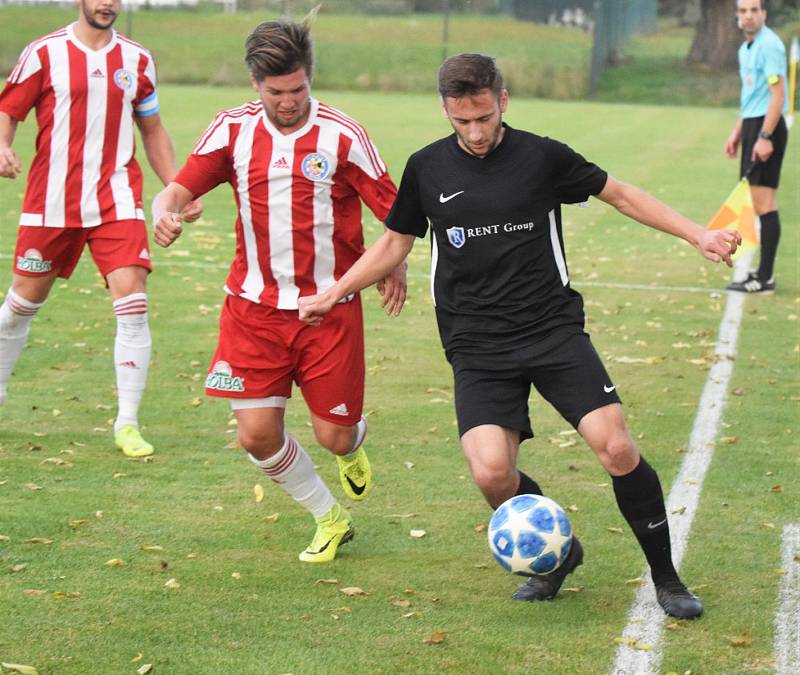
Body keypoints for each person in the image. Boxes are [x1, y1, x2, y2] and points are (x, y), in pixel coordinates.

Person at [299, 53, 742, 617]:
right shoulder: (427, 168)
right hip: (476, 343)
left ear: (502, 101)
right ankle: (559, 555)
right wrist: (335, 292)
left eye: (484, 117)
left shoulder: (541, 156)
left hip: (550, 328)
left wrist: (696, 234)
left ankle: (667, 577)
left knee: (616, 446)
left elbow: (621, 194)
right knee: (491, 473)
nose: (476, 132)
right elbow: (393, 243)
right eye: (462, 121)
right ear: (445, 111)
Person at [151, 18, 406, 564]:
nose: (288, 102)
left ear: (309, 78)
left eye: (298, 90)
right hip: (253, 309)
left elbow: (397, 215)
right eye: (276, 92)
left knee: (334, 436)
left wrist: (393, 263)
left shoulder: (343, 135)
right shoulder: (231, 130)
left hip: (328, 308)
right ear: (254, 84)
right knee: (256, 434)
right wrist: (164, 212)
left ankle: (351, 445)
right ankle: (328, 517)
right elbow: (176, 190)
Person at [0, 0, 201, 457]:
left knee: (132, 304)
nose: (108, 3)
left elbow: (152, 129)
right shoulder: (44, 53)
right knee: (19, 307)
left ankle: (127, 423)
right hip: (51, 203)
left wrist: (177, 188)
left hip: (117, 200)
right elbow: (8, 110)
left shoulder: (137, 59)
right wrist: (3, 145)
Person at [724, 0, 788, 294]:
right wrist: (738, 132)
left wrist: (764, 136)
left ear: (764, 13)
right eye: (743, 11)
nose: (748, 16)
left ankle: (765, 278)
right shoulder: (743, 49)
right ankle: (762, 274)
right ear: (738, 15)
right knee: (755, 202)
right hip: (752, 124)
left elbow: (778, 95)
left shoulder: (770, 45)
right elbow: (749, 95)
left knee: (764, 204)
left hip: (767, 126)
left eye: (754, 10)